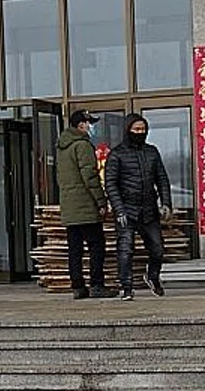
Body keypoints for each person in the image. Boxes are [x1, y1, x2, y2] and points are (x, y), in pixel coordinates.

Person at [104, 113, 172, 300]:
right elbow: (110, 184)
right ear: (128, 130)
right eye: (136, 130)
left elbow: (162, 179)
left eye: (143, 130)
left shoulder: (152, 152)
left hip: (149, 210)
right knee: (125, 250)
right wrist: (118, 209)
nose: (140, 133)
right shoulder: (116, 154)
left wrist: (166, 203)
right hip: (127, 210)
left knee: (157, 248)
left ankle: (153, 276)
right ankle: (126, 287)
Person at [54, 109, 107, 299]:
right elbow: (90, 176)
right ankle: (97, 285)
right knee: (97, 245)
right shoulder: (82, 146)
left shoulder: (62, 147)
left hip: (69, 206)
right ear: (81, 125)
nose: (92, 127)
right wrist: (101, 201)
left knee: (75, 249)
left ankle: (77, 286)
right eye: (89, 123)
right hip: (85, 205)